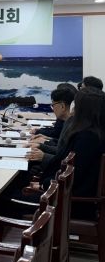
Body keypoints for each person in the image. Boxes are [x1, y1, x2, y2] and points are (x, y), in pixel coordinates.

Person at [24, 87, 105, 219]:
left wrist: (45, 185)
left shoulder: (87, 138)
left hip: (69, 204)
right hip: (67, 198)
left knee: (4, 200)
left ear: (82, 110)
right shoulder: (94, 133)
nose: (73, 110)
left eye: (75, 106)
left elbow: (72, 177)